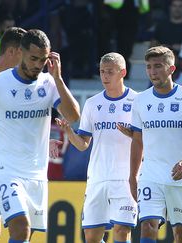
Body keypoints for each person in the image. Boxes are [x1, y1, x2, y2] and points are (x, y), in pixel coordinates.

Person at [0, 29, 80, 242]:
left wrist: (59, 79)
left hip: (36, 174)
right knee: (9, 229)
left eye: (42, 60)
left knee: (23, 235)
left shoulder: (49, 83)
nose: (38, 64)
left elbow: (73, 116)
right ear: (20, 53)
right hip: (1, 171)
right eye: (33, 58)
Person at [56, 52, 138, 243]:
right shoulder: (93, 103)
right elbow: (84, 144)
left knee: (121, 231)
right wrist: (69, 132)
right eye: (102, 71)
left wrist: (132, 135)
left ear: (123, 72)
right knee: (91, 237)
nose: (105, 76)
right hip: (97, 178)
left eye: (110, 72)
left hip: (125, 179)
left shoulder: (138, 101)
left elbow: (148, 141)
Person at [129, 46, 182, 243]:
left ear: (171, 69)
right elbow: (137, 141)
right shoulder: (140, 100)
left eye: (158, 66)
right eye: (148, 67)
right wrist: (132, 176)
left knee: (181, 234)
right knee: (147, 226)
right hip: (151, 175)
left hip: (180, 175)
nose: (152, 72)